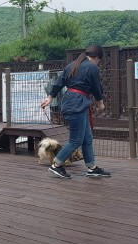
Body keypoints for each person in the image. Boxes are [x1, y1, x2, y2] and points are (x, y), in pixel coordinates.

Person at [40, 45, 111, 179]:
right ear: (96, 58)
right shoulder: (92, 67)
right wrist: (100, 103)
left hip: (74, 103)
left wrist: (50, 98)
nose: (98, 63)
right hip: (77, 105)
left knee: (87, 138)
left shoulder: (72, 65)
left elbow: (59, 82)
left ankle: (92, 168)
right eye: (99, 61)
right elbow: (97, 88)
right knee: (75, 140)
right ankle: (56, 165)